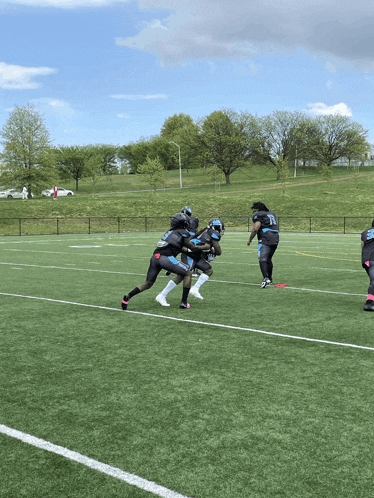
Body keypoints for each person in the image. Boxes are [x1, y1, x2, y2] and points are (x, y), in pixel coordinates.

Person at [121, 213, 210, 310]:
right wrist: (204, 247)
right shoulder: (183, 232)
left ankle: (128, 296)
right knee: (188, 273)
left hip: (155, 257)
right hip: (166, 258)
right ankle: (184, 302)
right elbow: (191, 247)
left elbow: (179, 248)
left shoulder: (170, 231)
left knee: (148, 283)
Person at [156, 218, 224, 306]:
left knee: (208, 270)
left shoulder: (204, 230)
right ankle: (162, 295)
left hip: (196, 255)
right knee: (182, 275)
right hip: (190, 255)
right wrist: (211, 250)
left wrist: (207, 250)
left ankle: (195, 288)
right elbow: (219, 252)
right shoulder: (214, 234)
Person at [247, 202, 279, 288]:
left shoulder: (259, 215)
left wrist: (250, 239)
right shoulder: (271, 213)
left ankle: (265, 278)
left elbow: (255, 228)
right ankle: (270, 278)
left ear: (257, 208)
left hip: (265, 237)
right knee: (268, 259)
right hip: (275, 237)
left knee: (262, 259)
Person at [361, 220, 374, 311]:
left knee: (373, 280)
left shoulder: (365, 232)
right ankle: (369, 303)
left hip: (365, 259)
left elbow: (362, 245)